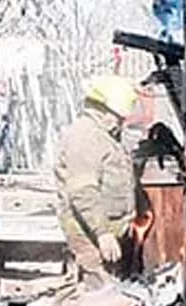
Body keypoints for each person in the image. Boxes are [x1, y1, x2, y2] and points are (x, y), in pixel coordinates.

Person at [53, 75, 144, 290]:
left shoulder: (104, 135)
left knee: (114, 293)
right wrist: (102, 233)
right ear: (102, 109)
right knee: (100, 297)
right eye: (118, 117)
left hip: (106, 233)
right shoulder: (85, 137)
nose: (121, 122)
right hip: (90, 235)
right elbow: (83, 192)